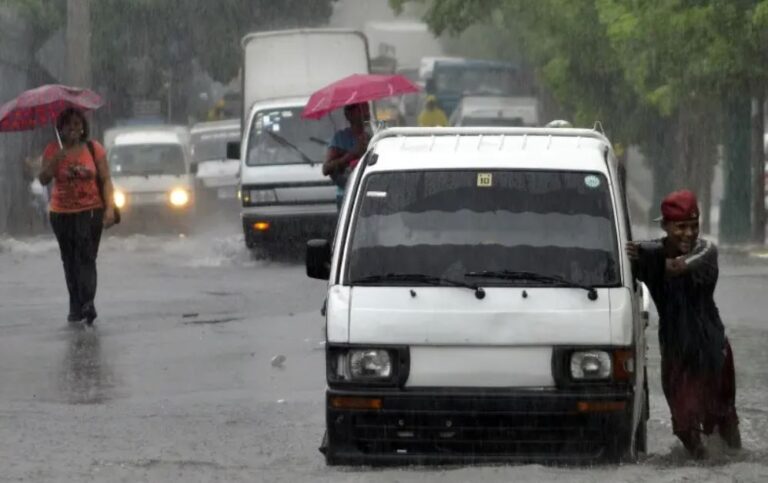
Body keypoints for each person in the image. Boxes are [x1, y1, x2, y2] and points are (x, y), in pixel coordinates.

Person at [626, 190, 740, 459]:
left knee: (723, 421)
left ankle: (731, 461)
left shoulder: (706, 250)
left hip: (712, 350)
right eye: (680, 227)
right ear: (665, 226)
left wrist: (641, 254)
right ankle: (703, 464)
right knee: (684, 425)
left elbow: (675, 267)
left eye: (693, 226)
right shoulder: (652, 253)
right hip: (676, 351)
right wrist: (632, 254)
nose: (688, 234)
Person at [39, 108, 117, 325]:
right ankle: (75, 304)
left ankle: (88, 302)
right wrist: (57, 159)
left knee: (87, 257)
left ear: (83, 127)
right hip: (61, 214)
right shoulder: (53, 149)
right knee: (70, 260)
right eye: (68, 125)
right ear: (60, 128)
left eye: (77, 124)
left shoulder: (94, 148)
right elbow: (43, 179)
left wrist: (110, 208)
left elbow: (106, 180)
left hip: (91, 211)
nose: (73, 129)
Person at [322, 103, 371, 211]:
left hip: (369, 193)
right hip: (346, 194)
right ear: (348, 115)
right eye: (360, 109)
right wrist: (352, 154)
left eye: (366, 108)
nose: (366, 113)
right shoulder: (340, 138)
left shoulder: (373, 135)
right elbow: (326, 169)